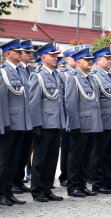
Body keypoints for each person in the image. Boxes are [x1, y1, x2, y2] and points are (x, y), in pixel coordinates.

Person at [29, 42, 65, 202]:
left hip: (56, 122)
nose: (56, 58)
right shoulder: (37, 75)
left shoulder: (57, 75)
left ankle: (47, 188)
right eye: (52, 55)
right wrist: (36, 124)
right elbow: (34, 102)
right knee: (40, 159)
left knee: (52, 159)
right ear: (43, 57)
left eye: (56, 56)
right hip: (44, 123)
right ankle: (37, 190)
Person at [65, 48, 102, 198]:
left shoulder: (90, 78)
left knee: (86, 157)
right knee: (76, 157)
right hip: (80, 125)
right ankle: (73, 186)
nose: (90, 62)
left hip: (92, 124)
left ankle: (82, 184)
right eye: (87, 60)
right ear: (79, 62)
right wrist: (74, 125)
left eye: (91, 59)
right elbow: (70, 104)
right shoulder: (74, 78)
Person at [0, 38, 31, 206]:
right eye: (17, 51)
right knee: (4, 161)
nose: (21, 53)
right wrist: (3, 123)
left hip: (20, 123)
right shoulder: (3, 71)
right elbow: (1, 100)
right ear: (7, 53)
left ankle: (8, 191)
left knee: (14, 161)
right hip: (9, 124)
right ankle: (1, 193)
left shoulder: (20, 71)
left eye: (21, 51)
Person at [90, 47, 111, 194]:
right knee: (99, 153)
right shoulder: (95, 76)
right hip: (103, 122)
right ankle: (97, 182)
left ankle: (107, 180)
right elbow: (95, 101)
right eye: (107, 59)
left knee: (110, 153)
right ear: (98, 60)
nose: (110, 61)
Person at [11, 39, 35, 194]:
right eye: (26, 52)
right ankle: (12, 182)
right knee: (15, 153)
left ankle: (18, 180)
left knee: (24, 152)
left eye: (27, 52)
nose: (27, 55)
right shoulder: (15, 70)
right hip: (18, 118)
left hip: (28, 118)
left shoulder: (31, 71)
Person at [58, 47, 78, 187]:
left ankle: (74, 175)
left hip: (77, 116)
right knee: (66, 148)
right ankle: (64, 175)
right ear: (67, 59)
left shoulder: (79, 74)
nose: (75, 60)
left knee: (75, 148)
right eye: (73, 57)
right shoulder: (63, 74)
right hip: (66, 117)